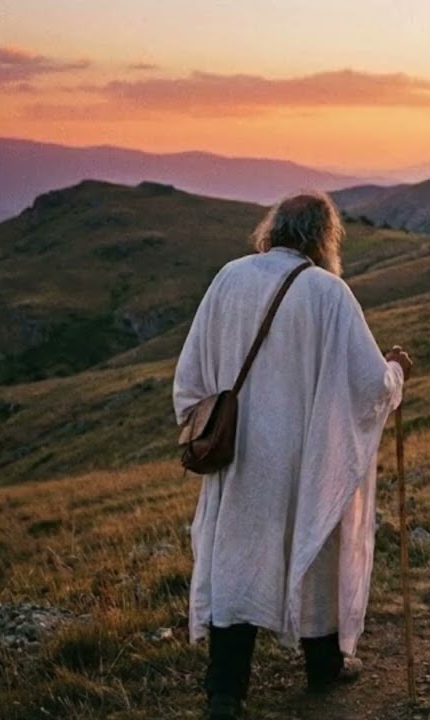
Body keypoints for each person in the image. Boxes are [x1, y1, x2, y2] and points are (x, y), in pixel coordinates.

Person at [172, 191, 413, 719]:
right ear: (325, 238)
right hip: (304, 460)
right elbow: (369, 384)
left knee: (237, 561)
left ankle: (225, 692)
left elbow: (189, 381)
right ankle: (323, 666)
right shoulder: (329, 294)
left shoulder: (228, 278)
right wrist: (396, 371)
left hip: (240, 459)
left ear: (273, 228)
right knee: (317, 551)